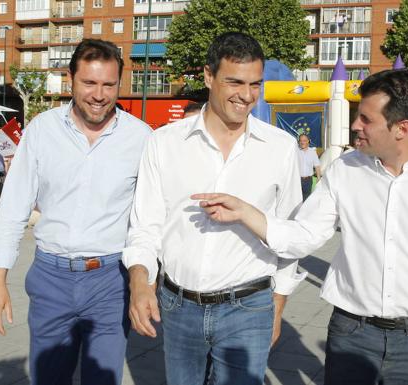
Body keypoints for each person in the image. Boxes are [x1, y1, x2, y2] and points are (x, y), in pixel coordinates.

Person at [192, 69, 408, 385]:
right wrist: (245, 212)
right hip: (352, 333)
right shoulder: (345, 170)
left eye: (366, 119)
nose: (355, 125)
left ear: (401, 129)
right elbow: (304, 235)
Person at [123, 32, 304, 385]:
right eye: (235, 82)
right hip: (178, 306)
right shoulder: (164, 143)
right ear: (208, 76)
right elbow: (145, 225)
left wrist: (277, 306)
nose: (247, 95)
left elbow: (290, 233)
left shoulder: (280, 147)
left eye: (255, 84)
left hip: (249, 307)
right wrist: (140, 282)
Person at [0, 39, 152, 385]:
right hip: (51, 279)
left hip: (110, 281)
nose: (99, 94)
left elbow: (150, 218)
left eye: (108, 84)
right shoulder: (42, 131)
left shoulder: (141, 138)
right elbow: (14, 205)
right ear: (70, 80)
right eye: (89, 83)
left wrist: (146, 280)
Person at [298, 133, 321, 201]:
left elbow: (317, 165)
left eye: (304, 140)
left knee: (306, 199)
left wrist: (318, 178)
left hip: (308, 180)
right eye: (301, 140)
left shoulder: (312, 152)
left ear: (308, 141)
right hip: (297, 179)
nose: (302, 142)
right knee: (297, 199)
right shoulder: (295, 151)